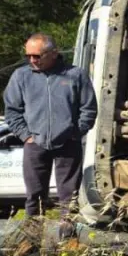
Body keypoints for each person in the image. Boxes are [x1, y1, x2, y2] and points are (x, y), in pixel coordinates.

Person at [2, 33, 96, 242]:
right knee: (34, 195)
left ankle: (68, 240)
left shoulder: (75, 75)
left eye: (37, 56)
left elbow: (88, 108)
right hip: (35, 143)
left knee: (68, 196)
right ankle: (31, 241)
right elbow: (12, 110)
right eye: (28, 56)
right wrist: (26, 136)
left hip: (68, 143)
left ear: (53, 53)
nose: (32, 60)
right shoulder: (21, 76)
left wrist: (76, 132)